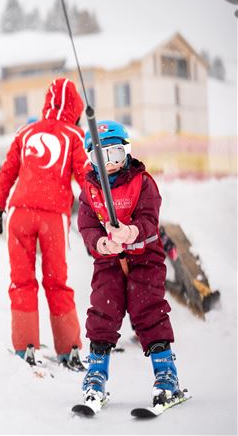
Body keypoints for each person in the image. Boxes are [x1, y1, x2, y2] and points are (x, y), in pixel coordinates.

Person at [0, 77, 90, 368]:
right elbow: (86, 179)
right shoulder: (75, 136)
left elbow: (7, 173)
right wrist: (101, 217)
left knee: (22, 281)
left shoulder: (26, 132)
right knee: (57, 282)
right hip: (53, 217)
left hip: (19, 213)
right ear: (75, 108)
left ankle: (25, 346)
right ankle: (69, 349)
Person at [77, 120, 182, 408]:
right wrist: (100, 243)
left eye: (115, 155)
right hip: (109, 261)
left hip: (144, 257)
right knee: (102, 311)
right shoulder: (89, 190)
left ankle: (166, 374)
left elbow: (150, 218)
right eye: (100, 157)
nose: (109, 164)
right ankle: (96, 374)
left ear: (126, 153)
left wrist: (132, 230)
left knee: (147, 310)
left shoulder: (142, 182)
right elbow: (86, 225)